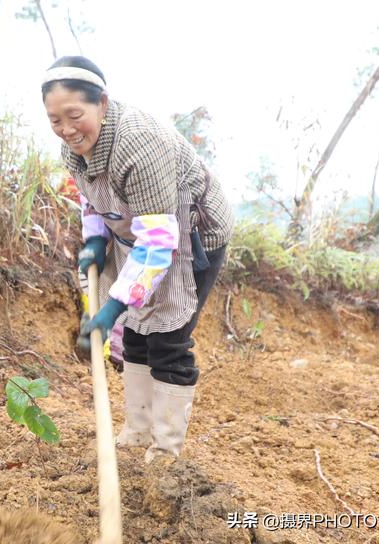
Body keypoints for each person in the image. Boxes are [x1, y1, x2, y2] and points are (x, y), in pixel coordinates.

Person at [41, 56, 234, 462]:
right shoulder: (73, 149)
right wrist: (95, 240)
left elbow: (159, 245)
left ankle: (166, 450)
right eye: (55, 119)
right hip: (144, 231)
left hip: (191, 236)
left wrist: (112, 304)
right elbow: (92, 200)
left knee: (167, 339)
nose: (66, 129)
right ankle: (137, 432)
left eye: (75, 115)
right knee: (134, 335)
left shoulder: (141, 146)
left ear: (103, 104)